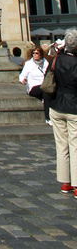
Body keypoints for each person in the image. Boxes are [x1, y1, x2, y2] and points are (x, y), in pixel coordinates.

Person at [49, 27, 77, 195]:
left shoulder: (57, 59)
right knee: (75, 146)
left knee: (62, 146)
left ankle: (65, 182)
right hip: (74, 107)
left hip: (57, 105)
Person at [19, 46, 51, 124]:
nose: (35, 55)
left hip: (44, 85)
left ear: (41, 55)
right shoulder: (29, 64)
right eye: (33, 53)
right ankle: (48, 118)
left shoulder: (45, 63)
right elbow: (22, 75)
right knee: (45, 91)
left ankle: (49, 115)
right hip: (33, 86)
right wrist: (23, 80)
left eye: (37, 53)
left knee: (46, 93)